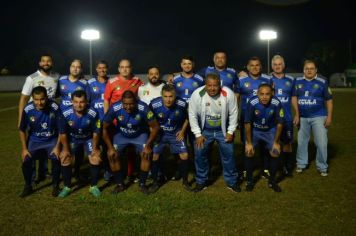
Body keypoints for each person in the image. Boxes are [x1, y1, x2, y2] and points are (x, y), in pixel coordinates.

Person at [188, 73, 240, 192]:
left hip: (223, 131)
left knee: (229, 155)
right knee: (200, 155)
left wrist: (230, 131)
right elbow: (192, 115)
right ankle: (201, 181)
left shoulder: (228, 93)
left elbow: (233, 112)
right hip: (204, 131)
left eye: (215, 86)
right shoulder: (197, 94)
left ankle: (232, 182)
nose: (212, 88)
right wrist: (198, 134)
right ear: (205, 85)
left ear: (219, 84)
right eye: (209, 85)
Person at [102, 91, 160, 195]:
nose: (128, 107)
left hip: (139, 135)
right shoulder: (115, 108)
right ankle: (120, 184)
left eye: (131, 104)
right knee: (111, 155)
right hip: (121, 135)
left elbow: (155, 127)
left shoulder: (143, 107)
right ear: (121, 102)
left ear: (136, 101)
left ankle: (142, 184)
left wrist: (148, 145)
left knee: (146, 154)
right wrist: (110, 147)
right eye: (125, 104)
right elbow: (104, 128)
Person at [18, 54, 60, 182]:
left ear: (52, 63)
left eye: (48, 61)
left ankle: (45, 172)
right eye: (43, 61)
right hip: (35, 113)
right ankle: (33, 174)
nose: (46, 63)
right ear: (39, 63)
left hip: (50, 112)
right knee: (34, 140)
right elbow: (24, 98)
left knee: (49, 137)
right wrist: (20, 117)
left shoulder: (56, 76)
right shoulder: (32, 78)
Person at [103, 59, 143, 180]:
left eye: (127, 67)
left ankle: (130, 172)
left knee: (131, 148)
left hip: (132, 120)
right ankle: (110, 172)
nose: (125, 69)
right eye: (122, 67)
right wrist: (107, 118)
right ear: (119, 69)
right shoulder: (112, 82)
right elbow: (106, 100)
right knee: (112, 148)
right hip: (115, 122)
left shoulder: (137, 81)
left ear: (131, 68)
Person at [292, 59, 333, 177]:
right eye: (307, 68)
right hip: (303, 117)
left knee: (321, 143)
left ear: (316, 70)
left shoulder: (322, 81)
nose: (309, 70)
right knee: (302, 142)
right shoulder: (297, 81)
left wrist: (329, 116)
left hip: (319, 116)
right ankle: (301, 163)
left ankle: (322, 166)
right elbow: (294, 97)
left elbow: (329, 100)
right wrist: (297, 114)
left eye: (311, 68)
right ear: (303, 70)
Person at [18, 86, 61, 197]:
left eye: (42, 99)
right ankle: (28, 185)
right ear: (32, 98)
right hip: (34, 140)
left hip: (51, 139)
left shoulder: (54, 106)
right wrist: (24, 149)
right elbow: (22, 129)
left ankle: (56, 186)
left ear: (46, 97)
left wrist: (57, 147)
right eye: (36, 99)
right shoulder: (28, 109)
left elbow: (62, 129)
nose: (39, 102)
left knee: (56, 159)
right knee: (26, 161)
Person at [58, 90, 101, 197]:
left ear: (86, 101)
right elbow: (62, 133)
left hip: (87, 138)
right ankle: (67, 187)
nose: (79, 105)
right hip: (72, 139)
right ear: (72, 102)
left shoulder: (93, 112)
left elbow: (96, 132)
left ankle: (93, 186)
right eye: (76, 102)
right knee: (65, 158)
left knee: (95, 157)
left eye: (82, 102)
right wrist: (65, 149)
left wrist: (95, 148)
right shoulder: (65, 113)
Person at [149, 85, 190, 192]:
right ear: (161, 96)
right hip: (160, 134)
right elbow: (148, 119)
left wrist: (182, 131)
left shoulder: (182, 104)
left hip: (175, 134)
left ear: (175, 96)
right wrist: (153, 132)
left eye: (171, 96)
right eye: (165, 96)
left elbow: (188, 117)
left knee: (184, 155)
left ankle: (185, 182)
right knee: (154, 156)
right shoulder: (154, 104)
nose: (168, 99)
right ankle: (155, 182)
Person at [236, 56, 272, 179]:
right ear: (247, 67)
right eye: (252, 65)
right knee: (246, 143)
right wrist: (235, 116)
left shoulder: (268, 79)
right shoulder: (241, 81)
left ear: (260, 67)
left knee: (265, 145)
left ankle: (265, 169)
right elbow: (237, 98)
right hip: (246, 118)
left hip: (265, 117)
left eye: (257, 65)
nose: (255, 67)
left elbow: (272, 97)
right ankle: (247, 169)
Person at [244, 84, 284, 192]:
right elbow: (247, 123)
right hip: (255, 131)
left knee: (275, 151)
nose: (264, 97)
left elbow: (280, 124)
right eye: (261, 94)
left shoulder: (276, 103)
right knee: (249, 152)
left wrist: (276, 142)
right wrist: (249, 143)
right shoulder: (252, 103)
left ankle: (272, 182)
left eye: (267, 94)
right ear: (257, 94)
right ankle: (249, 181)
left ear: (272, 94)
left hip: (269, 131)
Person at [270, 55, 295, 177]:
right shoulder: (267, 80)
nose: (277, 66)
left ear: (283, 65)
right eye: (275, 64)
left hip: (287, 118)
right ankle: (273, 167)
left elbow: (294, 97)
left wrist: (297, 114)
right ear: (272, 66)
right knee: (272, 143)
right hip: (272, 118)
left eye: (279, 64)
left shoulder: (290, 80)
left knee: (287, 143)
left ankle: (286, 166)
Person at [86, 60, 111, 181]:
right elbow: (87, 102)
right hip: (94, 120)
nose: (102, 70)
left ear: (107, 69)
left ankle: (107, 169)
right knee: (95, 145)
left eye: (104, 68)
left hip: (107, 120)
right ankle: (95, 167)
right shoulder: (90, 83)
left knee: (107, 146)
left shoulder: (111, 82)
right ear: (96, 69)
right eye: (100, 68)